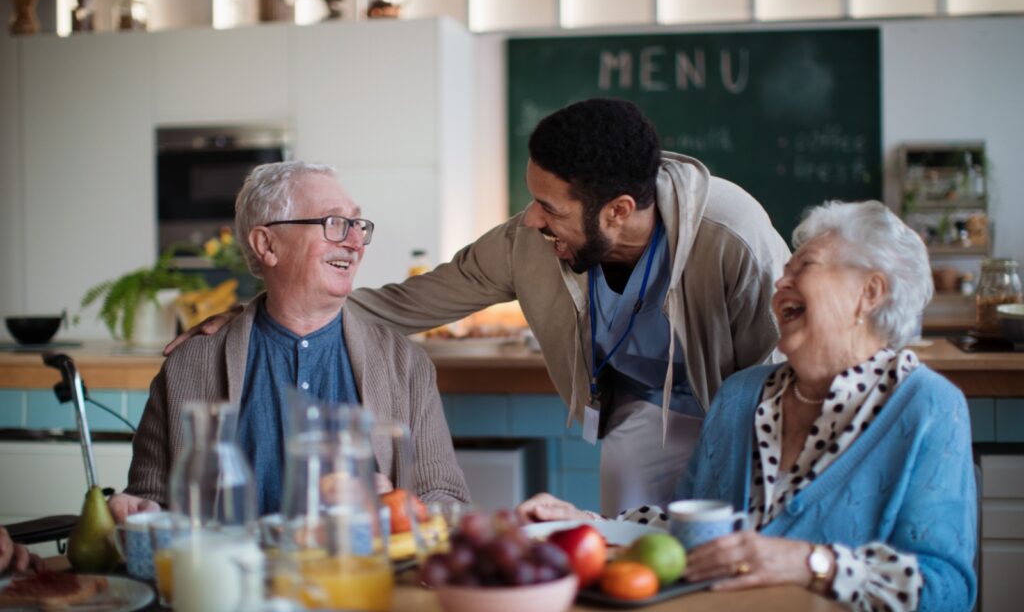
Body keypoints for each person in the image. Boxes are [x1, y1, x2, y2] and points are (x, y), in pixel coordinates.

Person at [166, 99, 791, 517]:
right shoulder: (529, 240)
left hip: (739, 411)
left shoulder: (733, 237)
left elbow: (786, 365)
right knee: (629, 555)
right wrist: (264, 311)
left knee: (727, 550)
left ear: (618, 211)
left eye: (552, 208)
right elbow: (415, 300)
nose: (533, 221)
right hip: (642, 417)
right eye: (534, 200)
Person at [518, 201, 976, 612]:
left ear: (869, 293)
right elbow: (693, 535)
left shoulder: (927, 406)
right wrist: (588, 528)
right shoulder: (742, 394)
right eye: (785, 270)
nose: (781, 282)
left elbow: (946, 597)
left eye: (804, 268)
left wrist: (812, 565)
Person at [109, 161, 469, 522]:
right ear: (267, 244)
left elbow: (446, 501)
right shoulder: (189, 365)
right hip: (234, 576)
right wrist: (141, 511)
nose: (356, 242)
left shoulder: (405, 364)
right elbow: (152, 500)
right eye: (333, 223)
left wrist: (391, 506)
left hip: (361, 576)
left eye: (357, 224)